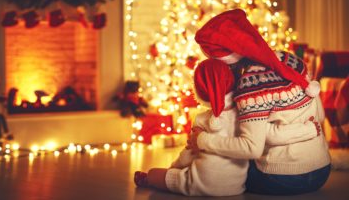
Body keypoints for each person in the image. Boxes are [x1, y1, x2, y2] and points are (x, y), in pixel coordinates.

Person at [191, 9, 331, 195]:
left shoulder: (250, 85)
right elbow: (319, 115)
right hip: (322, 169)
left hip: (283, 177)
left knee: (218, 174)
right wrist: (302, 130)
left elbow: (251, 148)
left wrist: (202, 140)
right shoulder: (291, 60)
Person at [134, 59, 320, 196]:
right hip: (236, 187)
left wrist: (173, 168)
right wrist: (310, 129)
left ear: (199, 92)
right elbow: (269, 136)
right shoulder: (247, 114)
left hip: (198, 184)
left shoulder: (201, 120)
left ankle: (147, 179)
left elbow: (188, 154)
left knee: (158, 175)